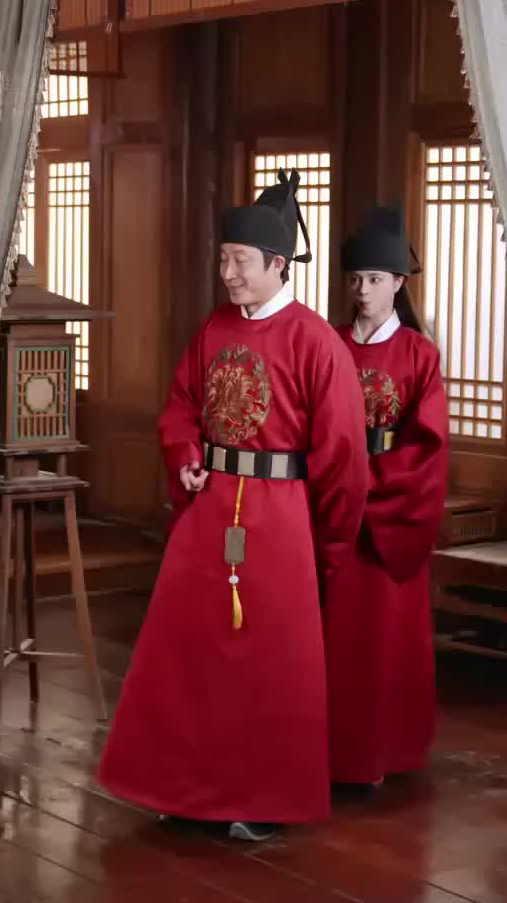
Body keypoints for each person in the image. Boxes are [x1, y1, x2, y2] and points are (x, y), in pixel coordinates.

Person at [98, 172, 368, 843]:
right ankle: (180, 787)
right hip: (211, 508)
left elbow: (343, 457)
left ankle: (262, 797)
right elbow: (182, 405)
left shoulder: (316, 342)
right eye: (223, 259)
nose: (228, 273)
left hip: (281, 515)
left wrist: (327, 545)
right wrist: (185, 453)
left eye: (240, 261)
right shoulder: (214, 328)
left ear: (278, 264)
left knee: (266, 663)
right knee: (190, 653)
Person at [324, 204, 449, 790]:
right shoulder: (329, 345)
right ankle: (332, 752)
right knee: (335, 637)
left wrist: (369, 486)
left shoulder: (420, 354)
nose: (363, 290)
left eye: (375, 279)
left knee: (384, 639)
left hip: (388, 514)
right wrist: (336, 484)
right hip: (335, 502)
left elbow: (428, 444)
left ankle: (384, 752)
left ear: (399, 282)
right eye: (356, 279)